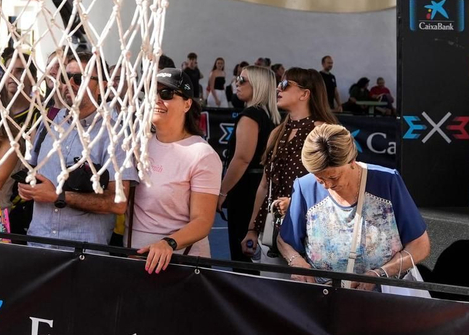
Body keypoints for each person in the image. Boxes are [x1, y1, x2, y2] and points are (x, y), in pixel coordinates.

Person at [278, 124, 430, 296]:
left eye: (333, 177)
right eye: (319, 178)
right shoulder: (304, 186)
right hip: (326, 298)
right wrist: (296, 261)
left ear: (351, 161)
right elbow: (285, 240)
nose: (327, 185)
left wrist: (379, 274)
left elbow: (420, 245)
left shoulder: (387, 181)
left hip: (387, 296)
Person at [17, 53, 132, 246]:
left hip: (82, 254)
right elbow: (34, 172)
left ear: (103, 84)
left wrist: (59, 196)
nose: (70, 83)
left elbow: (118, 202)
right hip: (37, 243)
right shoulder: (48, 123)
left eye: (79, 78)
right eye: (64, 78)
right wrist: (29, 188)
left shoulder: (114, 135)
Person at [241, 68, 336, 265]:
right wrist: (252, 229)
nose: (278, 88)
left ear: (305, 93)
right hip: (272, 229)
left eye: (285, 84)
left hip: (313, 230)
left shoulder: (323, 131)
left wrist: (295, 203)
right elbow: (264, 185)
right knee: (270, 290)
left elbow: (336, 184)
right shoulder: (277, 132)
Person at [130, 69, 220, 272]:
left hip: (180, 266)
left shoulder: (202, 154)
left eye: (167, 94)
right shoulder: (138, 144)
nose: (157, 99)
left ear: (187, 104)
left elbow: (203, 221)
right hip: (135, 261)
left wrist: (168, 243)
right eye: (153, 92)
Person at [218, 65, 278, 261]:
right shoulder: (272, 117)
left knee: (243, 252)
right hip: (264, 187)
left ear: (258, 85)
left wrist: (222, 192)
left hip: (246, 191)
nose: (237, 83)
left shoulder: (251, 115)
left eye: (243, 80)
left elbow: (242, 158)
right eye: (237, 78)